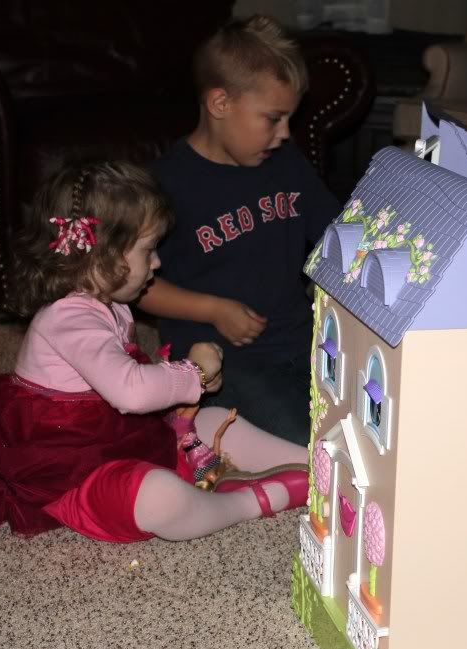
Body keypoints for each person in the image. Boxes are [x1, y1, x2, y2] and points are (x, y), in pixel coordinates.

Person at [0, 161, 309, 543]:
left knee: (214, 418)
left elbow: (127, 381)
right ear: (103, 255)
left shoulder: (110, 303)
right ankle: (251, 501)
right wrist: (194, 373)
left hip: (116, 440)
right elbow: (130, 391)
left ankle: (316, 465)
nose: (157, 262)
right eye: (148, 250)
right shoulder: (68, 319)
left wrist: (190, 382)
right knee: (160, 498)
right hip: (74, 475)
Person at [139, 15, 343, 447]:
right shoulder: (165, 185)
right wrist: (213, 309)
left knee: (370, 425)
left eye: (289, 119)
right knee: (313, 446)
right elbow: (135, 285)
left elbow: (337, 234)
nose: (285, 134)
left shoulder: (287, 164)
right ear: (220, 103)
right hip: (222, 363)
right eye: (273, 118)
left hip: (302, 341)